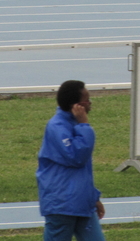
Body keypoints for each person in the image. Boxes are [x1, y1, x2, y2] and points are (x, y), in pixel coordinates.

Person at [37, 80, 106, 241]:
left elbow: (82, 172)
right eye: (87, 100)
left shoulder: (75, 125)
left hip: (82, 203)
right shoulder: (57, 127)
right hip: (61, 206)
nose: (90, 104)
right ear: (77, 106)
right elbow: (77, 157)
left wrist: (93, 197)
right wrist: (84, 126)